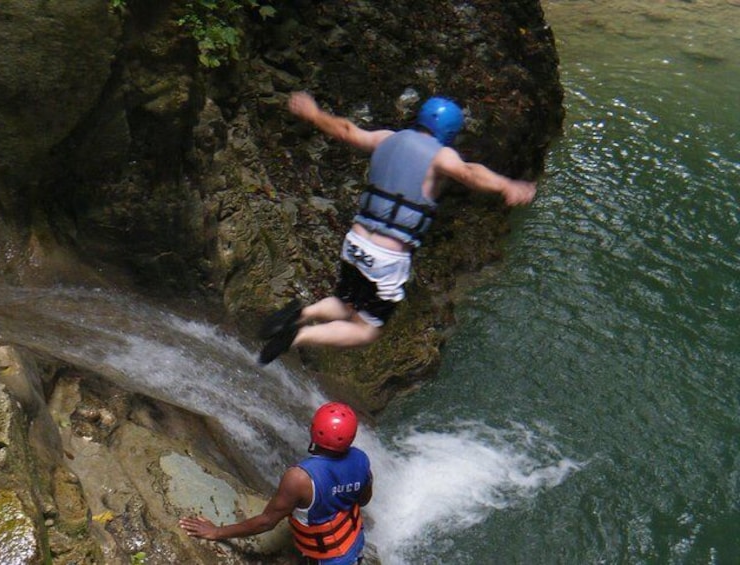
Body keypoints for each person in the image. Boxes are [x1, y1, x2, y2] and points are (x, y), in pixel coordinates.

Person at [257, 91, 537, 364]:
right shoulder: (442, 155)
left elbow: (346, 130)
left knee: (346, 304)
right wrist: (506, 185)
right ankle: (297, 336)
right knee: (367, 329)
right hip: (386, 258)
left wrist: (314, 114)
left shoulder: (386, 138)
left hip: (355, 243)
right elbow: (469, 172)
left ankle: (299, 313)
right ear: (450, 131)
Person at [179, 402, 373, 565]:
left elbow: (266, 522)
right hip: (354, 543)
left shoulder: (299, 478)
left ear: (314, 431)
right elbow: (363, 500)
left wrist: (216, 532)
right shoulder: (362, 460)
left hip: (326, 559)